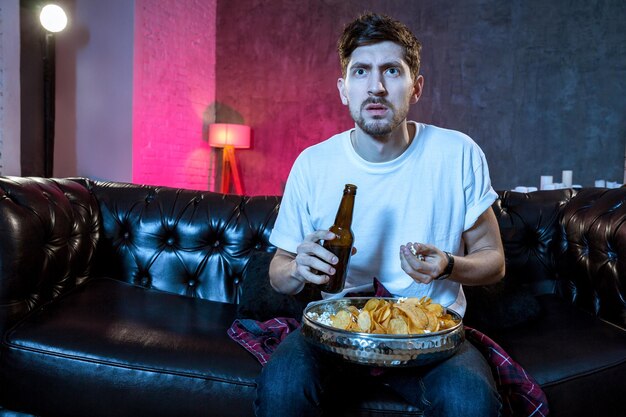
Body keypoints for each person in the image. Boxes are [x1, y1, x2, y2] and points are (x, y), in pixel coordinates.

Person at [255, 12, 505, 417]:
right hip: (335, 331)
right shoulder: (312, 164)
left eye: (391, 70)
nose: (376, 87)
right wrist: (299, 267)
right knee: (283, 388)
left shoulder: (458, 154)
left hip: (429, 337)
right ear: (343, 89)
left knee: (469, 402)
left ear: (416, 87)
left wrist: (447, 266)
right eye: (361, 72)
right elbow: (277, 272)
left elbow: (494, 262)